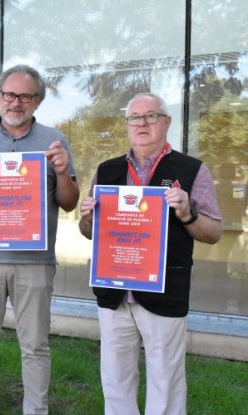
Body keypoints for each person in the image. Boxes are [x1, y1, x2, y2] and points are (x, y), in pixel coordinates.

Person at [78, 92, 222, 415]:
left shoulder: (191, 170)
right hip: (114, 294)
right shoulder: (107, 170)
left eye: (151, 116)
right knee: (115, 383)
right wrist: (87, 220)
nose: (142, 123)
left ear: (166, 122)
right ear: (127, 124)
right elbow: (88, 232)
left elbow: (214, 231)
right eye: (134, 117)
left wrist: (189, 214)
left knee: (167, 384)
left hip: (164, 292)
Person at [0, 65, 80, 415]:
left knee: (35, 346)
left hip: (34, 263)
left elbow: (69, 202)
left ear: (37, 101)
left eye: (25, 96)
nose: (16, 102)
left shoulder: (55, 140)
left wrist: (60, 171)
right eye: (10, 94)